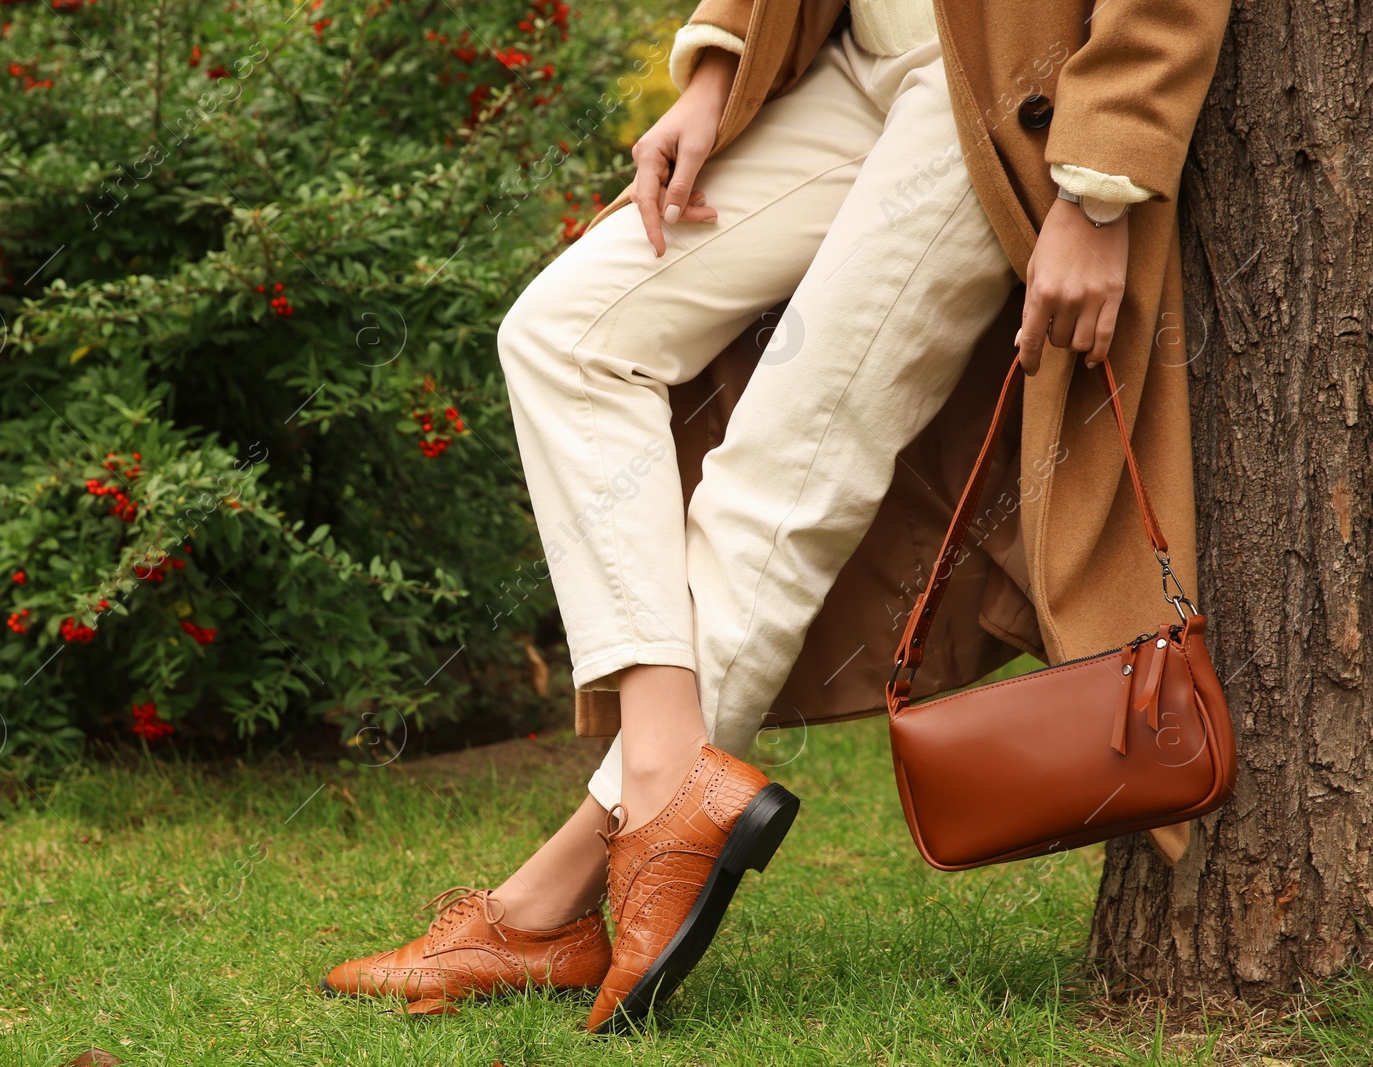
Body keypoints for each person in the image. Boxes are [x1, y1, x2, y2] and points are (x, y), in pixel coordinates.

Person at [322, 0, 1231, 1033]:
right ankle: (666, 779)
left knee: (785, 463)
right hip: (844, 62)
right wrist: (716, 72)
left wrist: (1096, 187)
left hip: (994, 86)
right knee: (565, 335)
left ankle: (551, 897)